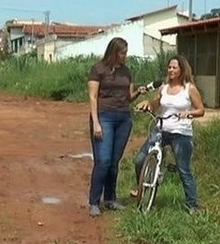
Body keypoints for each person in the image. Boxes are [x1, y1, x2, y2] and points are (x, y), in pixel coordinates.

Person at [86, 37, 151, 217]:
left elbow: (128, 97)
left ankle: (110, 199)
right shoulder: (98, 69)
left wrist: (138, 92)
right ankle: (94, 201)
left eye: (126, 53)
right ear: (114, 52)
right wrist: (96, 123)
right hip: (104, 117)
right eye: (123, 53)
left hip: (123, 118)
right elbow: (93, 97)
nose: (125, 56)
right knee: (103, 161)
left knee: (114, 162)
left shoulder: (126, 72)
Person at [132, 54, 204, 212]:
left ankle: (192, 205)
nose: (171, 70)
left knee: (183, 169)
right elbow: (155, 104)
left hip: (181, 132)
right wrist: (147, 104)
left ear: (182, 69)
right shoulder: (163, 88)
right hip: (161, 128)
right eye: (169, 67)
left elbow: (201, 110)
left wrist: (189, 113)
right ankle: (141, 188)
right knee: (139, 160)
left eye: (174, 67)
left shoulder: (189, 88)